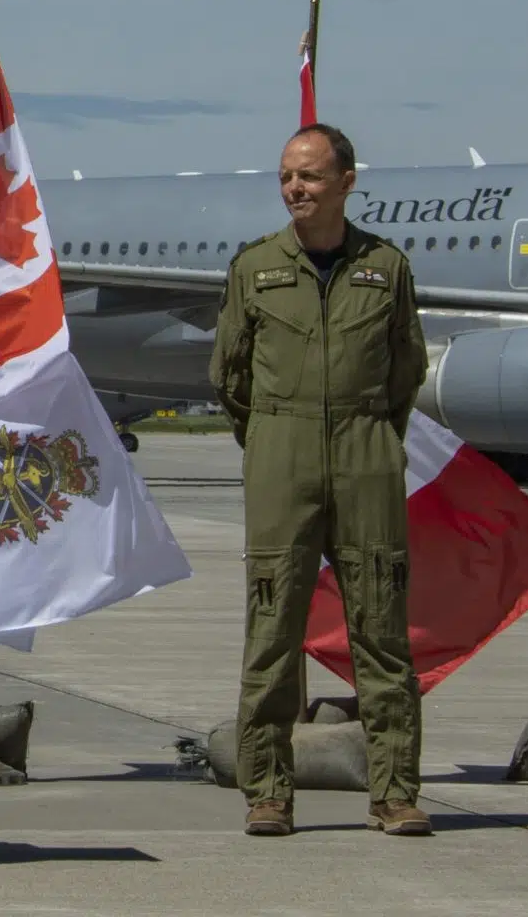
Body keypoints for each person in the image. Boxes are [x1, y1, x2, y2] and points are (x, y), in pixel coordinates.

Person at [209, 122, 430, 838]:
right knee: (272, 628)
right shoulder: (256, 268)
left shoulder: (386, 269)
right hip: (282, 451)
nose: (294, 188)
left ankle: (394, 793)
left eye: (308, 176)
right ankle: (267, 792)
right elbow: (229, 376)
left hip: (366, 451)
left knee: (382, 629)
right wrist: (278, 434)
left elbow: (407, 370)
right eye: (285, 177)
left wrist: (366, 435)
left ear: (346, 181)